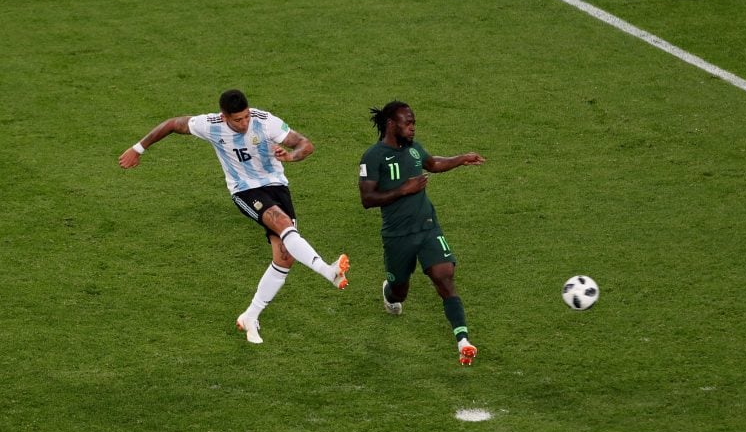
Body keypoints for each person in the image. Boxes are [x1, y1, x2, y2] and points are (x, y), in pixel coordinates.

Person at [119, 89, 349, 345]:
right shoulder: (210, 125)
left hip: (277, 186)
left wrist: (291, 156)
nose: (244, 123)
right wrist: (138, 148)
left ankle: (251, 316)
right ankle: (328, 271)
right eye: (237, 120)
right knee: (283, 225)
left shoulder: (264, 120)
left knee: (284, 258)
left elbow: (305, 144)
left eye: (246, 117)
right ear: (224, 116)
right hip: (245, 190)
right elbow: (173, 124)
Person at [358, 101, 485, 365]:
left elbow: (433, 163)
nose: (413, 128)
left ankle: (463, 340)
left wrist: (461, 159)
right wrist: (404, 190)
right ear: (392, 124)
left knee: (444, 275)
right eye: (408, 123)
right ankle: (389, 292)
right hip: (397, 236)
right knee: (399, 292)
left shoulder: (415, 150)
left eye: (414, 122)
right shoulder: (373, 157)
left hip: (427, 227)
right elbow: (367, 198)